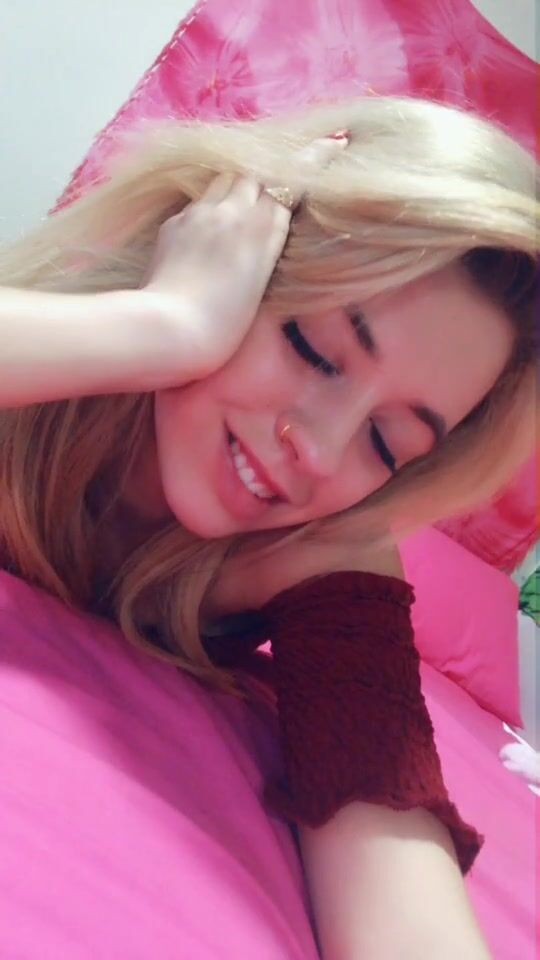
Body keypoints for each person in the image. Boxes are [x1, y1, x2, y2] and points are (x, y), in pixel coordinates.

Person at [0, 95, 537, 959]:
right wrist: (162, 325)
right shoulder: (52, 361)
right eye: (314, 348)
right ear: (233, 261)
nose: (319, 452)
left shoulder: (322, 553)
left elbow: (400, 890)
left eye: (386, 443)